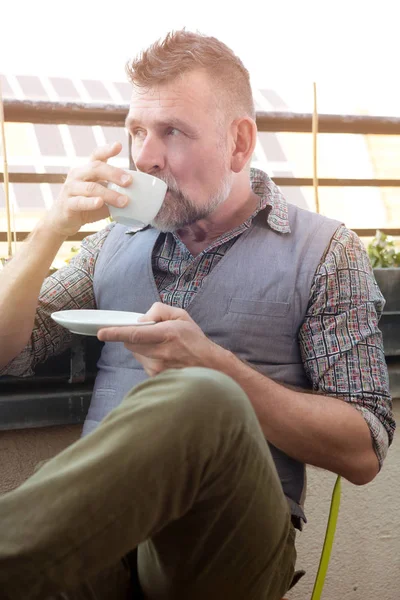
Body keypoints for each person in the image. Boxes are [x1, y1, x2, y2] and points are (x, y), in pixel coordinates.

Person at [0, 30, 395, 600]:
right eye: (136, 131)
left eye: (172, 132)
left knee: (204, 396)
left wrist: (218, 369)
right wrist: (48, 231)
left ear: (239, 144)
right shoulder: (112, 243)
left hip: (224, 547)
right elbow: (11, 349)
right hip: (94, 538)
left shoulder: (327, 251)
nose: (144, 156)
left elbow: (365, 448)